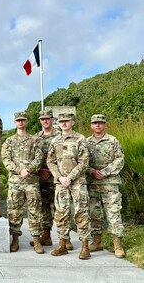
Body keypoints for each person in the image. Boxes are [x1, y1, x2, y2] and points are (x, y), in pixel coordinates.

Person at [47, 113, 91, 260]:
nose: (64, 123)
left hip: (77, 182)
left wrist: (70, 177)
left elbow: (84, 162)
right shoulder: (55, 140)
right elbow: (50, 162)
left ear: (72, 122)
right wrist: (59, 177)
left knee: (81, 212)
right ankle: (63, 244)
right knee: (61, 213)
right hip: (61, 183)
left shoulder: (80, 139)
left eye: (66, 121)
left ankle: (85, 246)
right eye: (61, 121)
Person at [30, 110, 75, 248]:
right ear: (40, 121)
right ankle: (46, 235)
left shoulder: (60, 135)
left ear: (52, 119)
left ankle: (65, 238)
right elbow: (32, 157)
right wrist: (40, 170)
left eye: (48, 118)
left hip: (58, 177)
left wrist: (53, 172)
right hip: (41, 176)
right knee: (43, 207)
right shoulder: (36, 137)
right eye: (42, 119)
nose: (45, 121)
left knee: (61, 208)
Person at [1, 112, 44, 253]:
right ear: (15, 122)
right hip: (15, 182)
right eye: (18, 120)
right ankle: (15, 240)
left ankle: (37, 240)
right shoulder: (9, 141)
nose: (20, 122)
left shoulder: (35, 140)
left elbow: (39, 158)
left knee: (35, 211)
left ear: (27, 121)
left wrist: (29, 170)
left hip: (32, 182)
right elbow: (6, 160)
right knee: (14, 211)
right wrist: (19, 171)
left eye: (23, 120)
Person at [87, 114, 125, 258]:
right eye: (95, 123)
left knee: (114, 212)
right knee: (94, 213)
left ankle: (117, 244)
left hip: (110, 182)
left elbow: (119, 159)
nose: (98, 125)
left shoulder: (113, 140)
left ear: (105, 125)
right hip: (93, 183)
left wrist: (104, 172)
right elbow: (83, 161)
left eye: (101, 123)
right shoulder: (86, 142)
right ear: (91, 125)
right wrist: (92, 171)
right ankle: (97, 241)